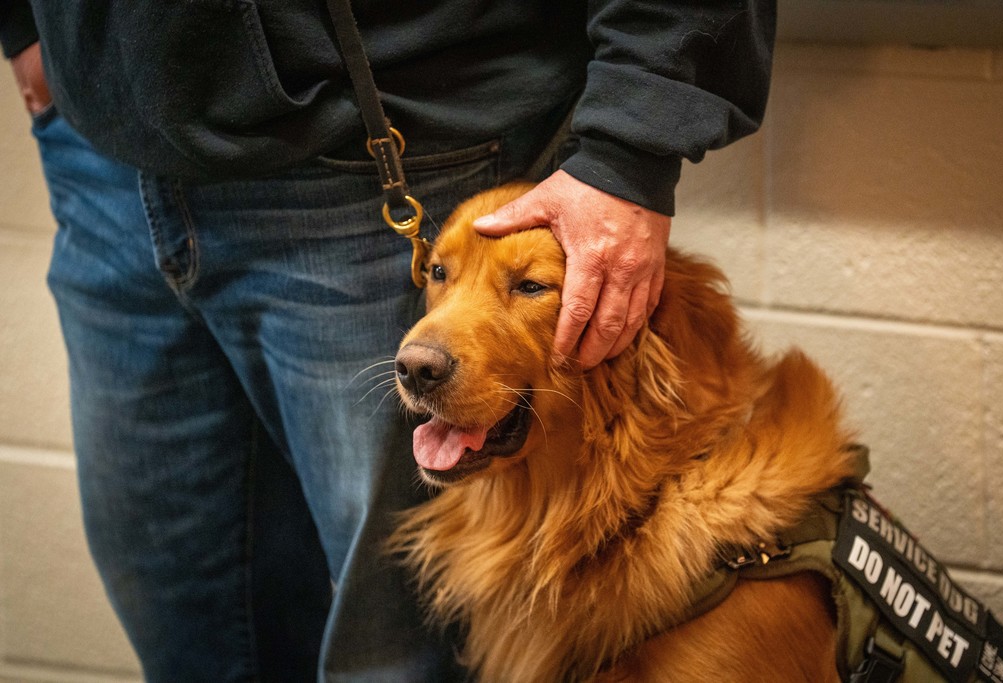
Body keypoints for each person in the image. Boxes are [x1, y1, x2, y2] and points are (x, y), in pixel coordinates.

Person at [1, 1, 775, 680]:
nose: (421, 341)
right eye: (439, 276)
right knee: (185, 632)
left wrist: (630, 146)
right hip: (99, 160)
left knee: (398, 655)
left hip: (388, 142)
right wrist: (24, 27)